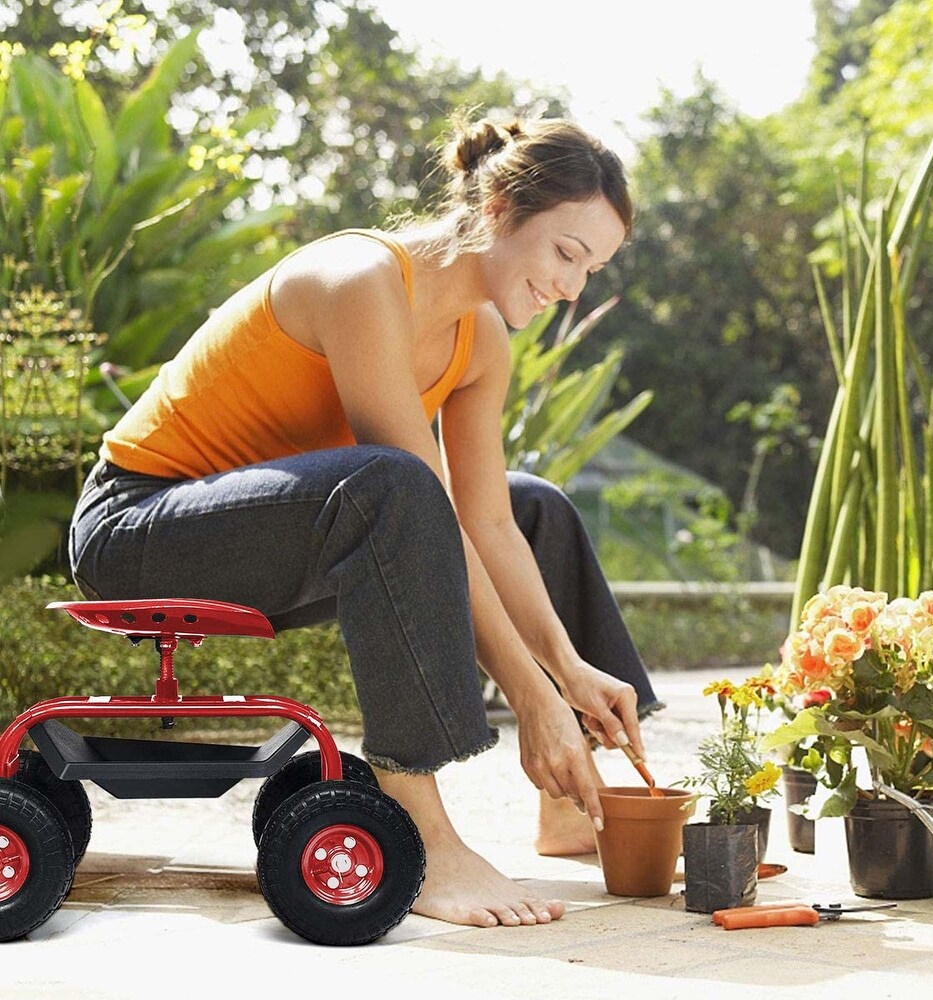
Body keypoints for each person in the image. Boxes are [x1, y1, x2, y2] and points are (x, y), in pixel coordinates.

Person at [67, 111, 664, 930]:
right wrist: (531, 697)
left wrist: (564, 672)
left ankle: (574, 801)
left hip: (286, 540)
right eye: (566, 253)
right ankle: (427, 835)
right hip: (139, 528)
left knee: (533, 508)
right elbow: (413, 498)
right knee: (395, 483)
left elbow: (487, 527)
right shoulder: (361, 281)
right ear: (497, 211)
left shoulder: (481, 340)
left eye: (591, 268)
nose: (572, 287)